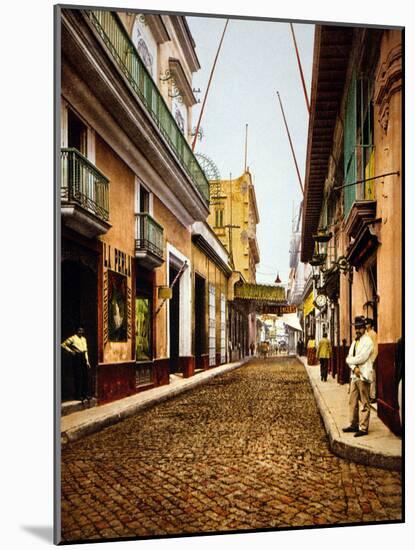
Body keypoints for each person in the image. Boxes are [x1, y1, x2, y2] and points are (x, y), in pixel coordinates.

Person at [342, 316, 374, 437]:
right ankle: (353, 424)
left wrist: (351, 362)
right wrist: (353, 367)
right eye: (356, 328)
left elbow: (362, 358)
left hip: (363, 375)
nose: (357, 330)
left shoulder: (368, 342)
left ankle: (364, 427)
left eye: (360, 328)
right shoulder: (355, 341)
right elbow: (348, 357)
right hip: (354, 375)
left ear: (365, 328)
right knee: (352, 401)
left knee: (365, 402)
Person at [61, 327, 91, 402]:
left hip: (83, 357)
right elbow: (63, 345)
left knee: (85, 376)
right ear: (76, 331)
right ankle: (78, 395)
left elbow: (86, 350)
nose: (81, 332)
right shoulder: (73, 338)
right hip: (77, 357)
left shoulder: (84, 339)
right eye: (79, 330)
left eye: (82, 330)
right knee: (78, 376)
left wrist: (87, 361)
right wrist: (70, 351)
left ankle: (85, 394)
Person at [365, 318, 378, 403]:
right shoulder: (366, 334)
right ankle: (367, 395)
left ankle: (373, 396)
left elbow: (375, 347)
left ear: (370, 324)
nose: (366, 325)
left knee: (372, 378)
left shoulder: (373, 334)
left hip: (371, 359)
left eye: (367, 324)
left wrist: (373, 360)